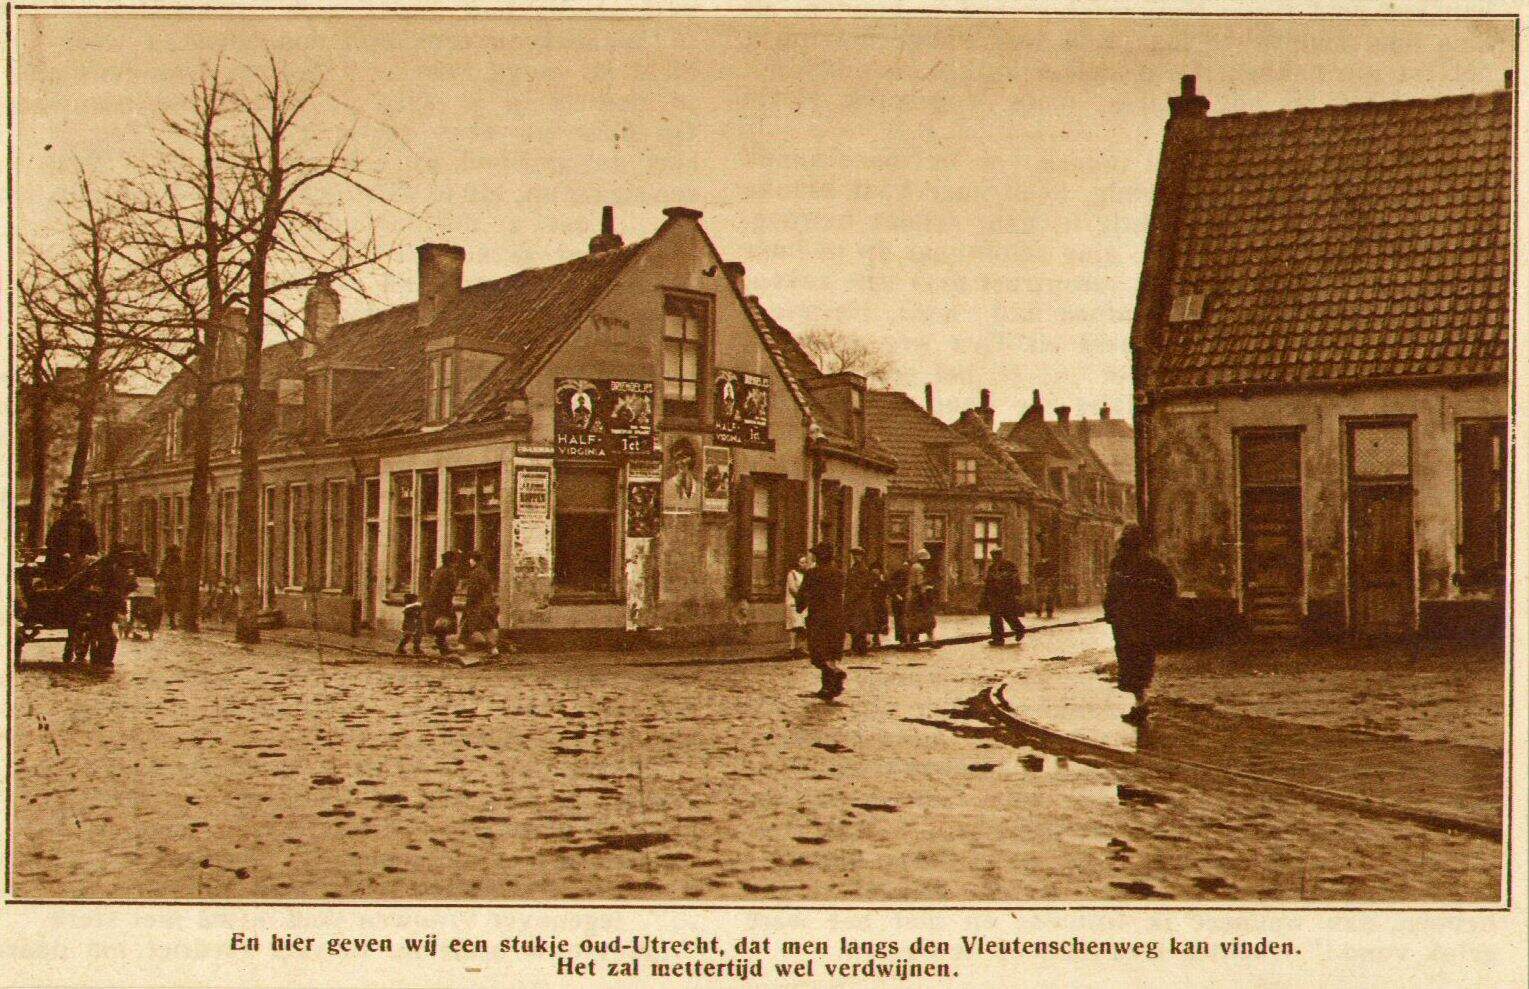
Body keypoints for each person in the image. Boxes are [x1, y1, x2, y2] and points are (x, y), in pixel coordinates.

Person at [1103, 525, 1178, 726]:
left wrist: (1110, 612)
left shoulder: (1121, 563)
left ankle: (1141, 703)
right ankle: (1140, 702)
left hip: (1128, 621)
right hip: (1141, 621)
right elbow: (1170, 588)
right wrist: (1161, 611)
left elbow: (1111, 591)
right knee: (1141, 660)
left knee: (1130, 661)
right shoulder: (1152, 564)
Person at [796, 541, 847, 700]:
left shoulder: (812, 574)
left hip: (818, 619)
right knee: (830, 653)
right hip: (837, 618)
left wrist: (800, 607)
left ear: (818, 557)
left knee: (818, 653)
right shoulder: (839, 574)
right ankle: (828, 688)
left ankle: (835, 673)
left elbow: (803, 594)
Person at [43, 498, 99, 582]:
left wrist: (86, 554)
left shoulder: (88, 526)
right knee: (61, 565)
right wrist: (63, 552)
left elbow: (94, 544)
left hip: (81, 557)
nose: (76, 517)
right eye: (74, 514)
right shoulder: (59, 525)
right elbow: (50, 542)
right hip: (60, 556)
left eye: (79, 514)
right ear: (69, 514)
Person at [980, 549, 1027, 646]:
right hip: (995, 596)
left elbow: (1015, 580)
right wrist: (986, 594)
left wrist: (1017, 593)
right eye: (993, 556)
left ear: (1000, 555)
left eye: (996, 556)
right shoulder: (992, 567)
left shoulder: (1009, 565)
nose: (994, 558)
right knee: (994, 617)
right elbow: (988, 582)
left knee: (1009, 615)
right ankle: (998, 639)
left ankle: (1019, 630)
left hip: (1007, 595)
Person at [459, 551, 501, 658]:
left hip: (477, 605)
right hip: (485, 604)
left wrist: (469, 603)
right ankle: (462, 646)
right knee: (479, 626)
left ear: (474, 560)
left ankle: (492, 649)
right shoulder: (484, 572)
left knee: (480, 626)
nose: (469, 561)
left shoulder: (475, 573)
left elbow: (473, 591)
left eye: (471, 559)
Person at [424, 551, 461, 656]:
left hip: (435, 600)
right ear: (451, 562)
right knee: (444, 623)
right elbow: (451, 587)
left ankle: (441, 644)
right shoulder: (449, 572)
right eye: (455, 561)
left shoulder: (438, 570)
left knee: (440, 623)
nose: (456, 564)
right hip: (443, 600)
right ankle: (442, 646)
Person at [844, 548, 876, 656]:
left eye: (857, 555)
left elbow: (861, 586)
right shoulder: (854, 568)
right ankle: (857, 648)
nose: (855, 557)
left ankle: (860, 649)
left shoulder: (863, 569)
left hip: (860, 601)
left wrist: (851, 598)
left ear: (862, 556)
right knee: (855, 625)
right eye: (854, 555)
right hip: (855, 601)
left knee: (859, 625)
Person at [903, 549, 938, 649]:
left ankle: (910, 642)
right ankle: (931, 640)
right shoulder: (919, 568)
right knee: (927, 619)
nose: (927, 562)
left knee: (913, 620)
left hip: (912, 597)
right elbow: (919, 584)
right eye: (926, 560)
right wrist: (925, 591)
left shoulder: (914, 567)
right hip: (918, 598)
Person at [785, 553, 812, 657]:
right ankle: (792, 647)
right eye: (802, 562)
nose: (804, 564)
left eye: (805, 562)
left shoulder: (805, 575)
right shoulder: (792, 574)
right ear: (797, 563)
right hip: (794, 603)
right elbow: (793, 589)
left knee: (803, 626)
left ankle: (800, 647)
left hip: (804, 603)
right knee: (795, 626)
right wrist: (802, 596)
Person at [157, 545, 183, 631]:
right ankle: (173, 622)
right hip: (173, 585)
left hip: (170, 585)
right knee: (173, 603)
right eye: (177, 551)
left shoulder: (167, 560)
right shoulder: (175, 560)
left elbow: (162, 573)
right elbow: (179, 572)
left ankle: (172, 621)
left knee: (171, 603)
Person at [886, 558, 910, 648]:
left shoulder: (900, 575)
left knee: (901, 619)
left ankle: (903, 639)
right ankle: (903, 639)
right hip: (899, 600)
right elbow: (891, 587)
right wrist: (896, 595)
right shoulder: (900, 576)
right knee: (901, 619)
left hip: (900, 600)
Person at [867, 563, 890, 649]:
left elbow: (887, 589)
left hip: (880, 604)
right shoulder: (870, 580)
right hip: (873, 603)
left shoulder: (882, 580)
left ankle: (876, 639)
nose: (875, 571)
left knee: (879, 621)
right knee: (872, 621)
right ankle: (874, 638)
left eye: (877, 570)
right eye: (874, 570)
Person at [1034, 543, 1059, 619]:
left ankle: (1048, 612)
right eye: (1044, 558)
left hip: (1048, 582)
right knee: (1040, 598)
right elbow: (1035, 574)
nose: (1045, 559)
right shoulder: (1038, 565)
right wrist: (1038, 580)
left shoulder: (1051, 565)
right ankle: (1039, 612)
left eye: (1046, 558)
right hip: (1042, 582)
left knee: (1048, 598)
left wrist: (1051, 580)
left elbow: (1055, 574)